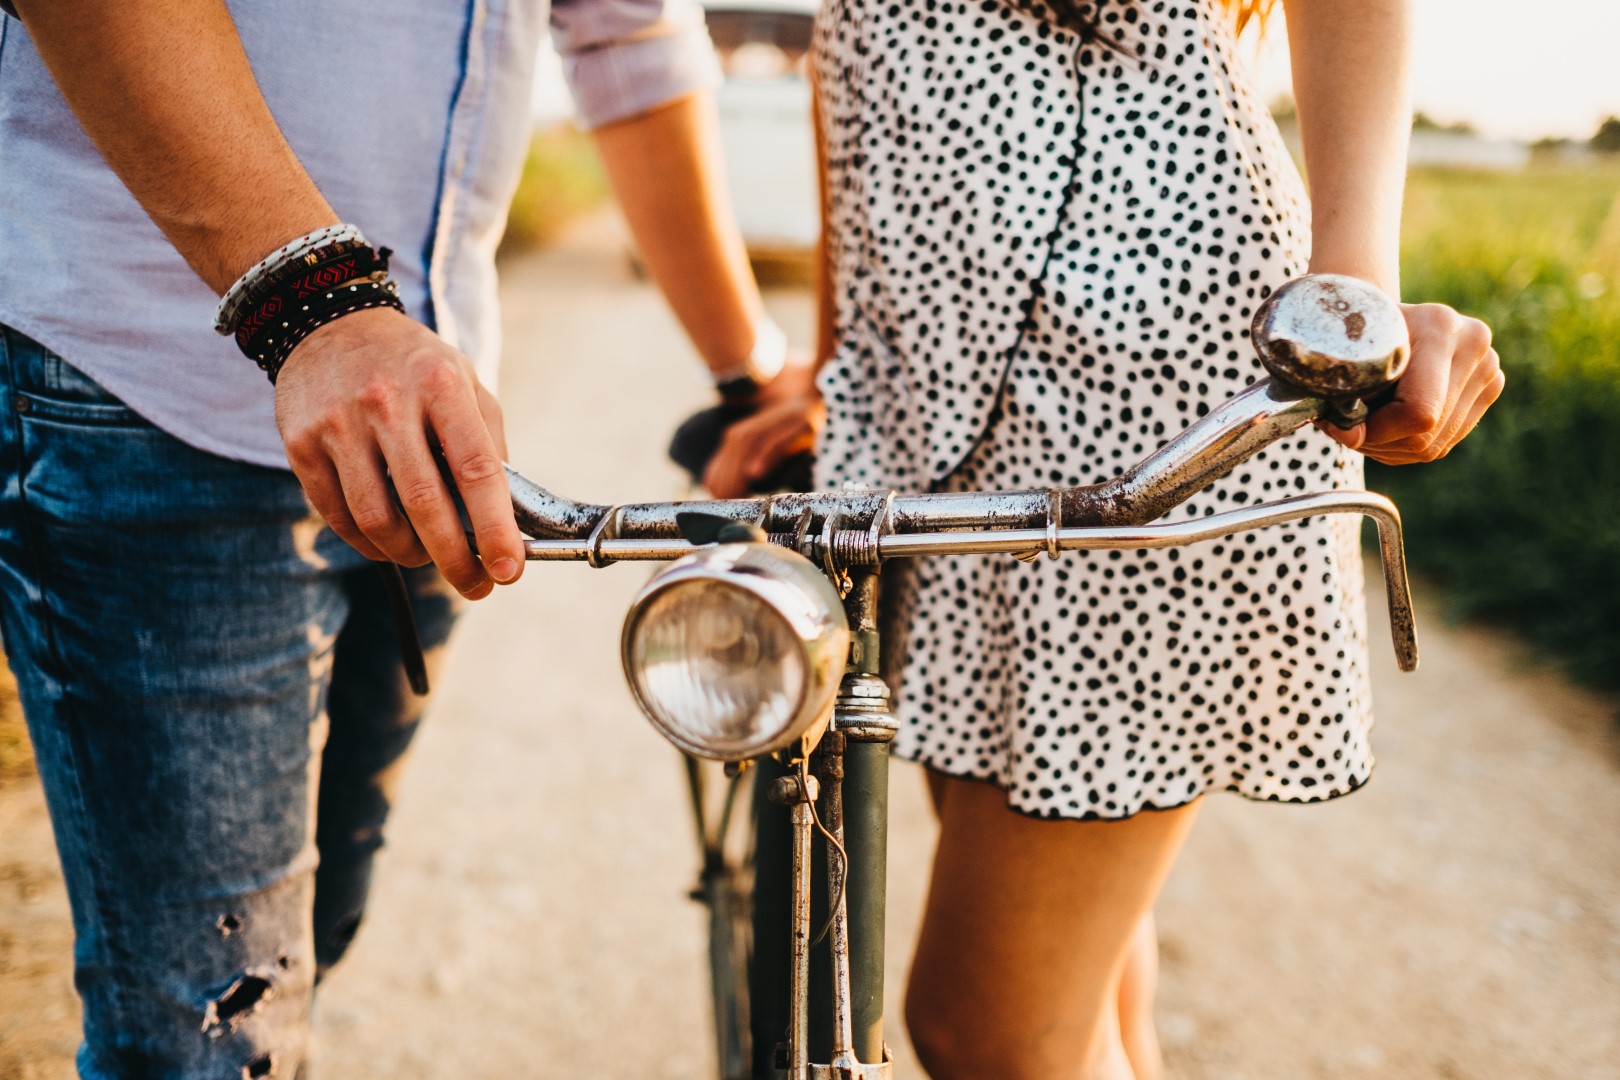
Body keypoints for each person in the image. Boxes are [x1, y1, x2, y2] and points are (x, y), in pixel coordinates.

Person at [705, 0, 1505, 1077]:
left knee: (983, 1031)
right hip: (930, 420)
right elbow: (857, 64)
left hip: (1142, 393)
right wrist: (840, 359)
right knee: (1084, 1000)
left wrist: (1352, 303)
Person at [0, 0, 795, 1075]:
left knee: (312, 938)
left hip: (417, 408)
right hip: (148, 376)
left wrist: (750, 379)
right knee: (209, 1032)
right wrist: (309, 304)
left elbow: (627, 34)